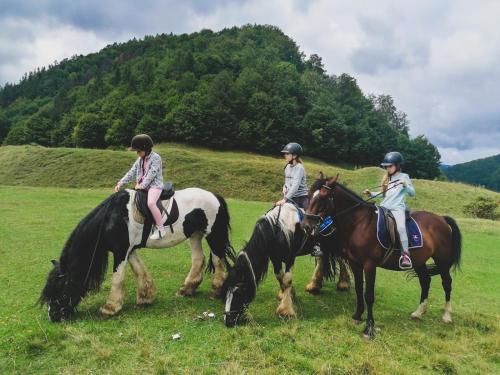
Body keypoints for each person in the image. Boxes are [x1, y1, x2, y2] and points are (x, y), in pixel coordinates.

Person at [363, 152, 415, 269]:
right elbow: (384, 195)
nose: (387, 168)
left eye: (390, 166)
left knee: (401, 228)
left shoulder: (404, 177)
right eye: (386, 166)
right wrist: (371, 193)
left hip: (397, 208)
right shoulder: (387, 178)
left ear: (397, 165)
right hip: (384, 206)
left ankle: (405, 255)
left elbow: (412, 193)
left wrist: (405, 185)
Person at [114, 134, 166, 240]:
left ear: (145, 149)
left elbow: (152, 174)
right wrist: (120, 183)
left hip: (154, 186)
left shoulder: (156, 158)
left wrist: (141, 186)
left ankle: (161, 229)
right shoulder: (140, 159)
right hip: (141, 186)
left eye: (138, 151)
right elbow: (132, 172)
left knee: (151, 203)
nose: (137, 153)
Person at [275, 142, 322, 257]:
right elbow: (287, 183)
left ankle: (316, 246)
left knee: (312, 220)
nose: (285, 155)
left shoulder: (299, 168)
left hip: (302, 199)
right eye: (285, 154)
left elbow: (295, 186)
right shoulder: (287, 167)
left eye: (287, 154)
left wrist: (285, 199)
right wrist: (284, 187)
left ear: (294, 156)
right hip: (291, 198)